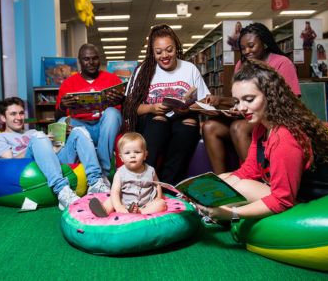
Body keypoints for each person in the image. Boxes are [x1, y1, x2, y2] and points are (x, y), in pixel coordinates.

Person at [198, 60, 328, 221]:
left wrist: (232, 214)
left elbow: (282, 199)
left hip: (322, 202)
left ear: (270, 96)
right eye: (237, 101)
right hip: (299, 193)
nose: (241, 108)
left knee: (241, 186)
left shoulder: (285, 136)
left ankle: (209, 213)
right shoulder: (261, 126)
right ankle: (203, 209)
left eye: (249, 99)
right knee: (221, 178)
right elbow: (250, 169)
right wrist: (211, 188)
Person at [203, 22, 301, 174]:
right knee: (209, 127)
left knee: (238, 127)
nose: (247, 51)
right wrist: (224, 103)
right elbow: (240, 98)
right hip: (247, 116)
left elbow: (292, 99)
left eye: (251, 46)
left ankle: (256, 175)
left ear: (265, 43)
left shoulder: (282, 63)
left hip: (272, 118)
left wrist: (250, 107)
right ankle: (220, 179)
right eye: (243, 48)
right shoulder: (241, 65)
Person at [123, 24, 214, 185]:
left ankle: (169, 183)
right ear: (152, 52)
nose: (165, 55)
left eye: (169, 50)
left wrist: (189, 107)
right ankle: (143, 179)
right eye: (159, 52)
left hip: (183, 116)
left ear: (176, 48)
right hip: (153, 119)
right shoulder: (143, 70)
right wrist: (151, 107)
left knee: (189, 124)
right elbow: (131, 108)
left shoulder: (189, 69)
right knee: (160, 121)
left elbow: (204, 102)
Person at [0, 97, 110, 210]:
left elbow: (53, 154)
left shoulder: (32, 131)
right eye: (13, 114)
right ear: (3, 118)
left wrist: (57, 141)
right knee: (39, 136)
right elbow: (9, 159)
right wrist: (38, 142)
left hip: (50, 164)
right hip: (27, 166)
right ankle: (62, 191)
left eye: (21, 113)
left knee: (79, 131)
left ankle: (95, 183)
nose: (19, 117)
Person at [56, 43, 123, 178]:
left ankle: (103, 171)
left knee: (112, 113)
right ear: (80, 61)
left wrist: (121, 100)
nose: (91, 62)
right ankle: (64, 173)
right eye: (86, 59)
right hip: (81, 128)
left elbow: (125, 113)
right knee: (62, 121)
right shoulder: (68, 83)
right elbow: (56, 117)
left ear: (100, 59)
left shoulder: (112, 79)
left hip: (104, 127)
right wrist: (63, 106)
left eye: (95, 58)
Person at [89, 132, 166, 217]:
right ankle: (105, 209)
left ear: (145, 155)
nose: (132, 155)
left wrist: (158, 197)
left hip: (146, 204)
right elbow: (115, 192)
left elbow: (157, 185)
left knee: (161, 203)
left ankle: (141, 212)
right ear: (121, 157)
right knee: (112, 199)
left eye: (137, 152)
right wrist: (119, 207)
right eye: (127, 153)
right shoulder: (120, 174)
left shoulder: (151, 171)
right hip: (124, 203)